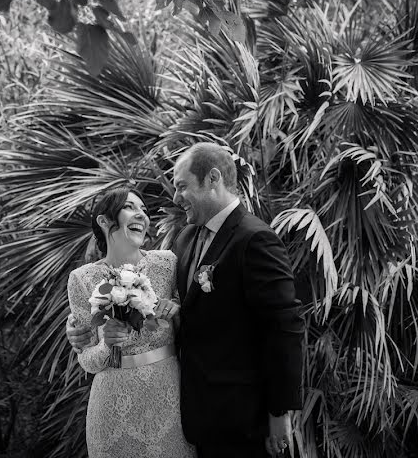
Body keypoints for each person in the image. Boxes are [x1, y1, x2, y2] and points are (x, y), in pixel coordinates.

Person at [67, 142, 305, 457]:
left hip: (241, 413)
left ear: (213, 178)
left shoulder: (254, 238)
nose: (175, 197)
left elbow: (284, 327)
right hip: (195, 412)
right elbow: (186, 306)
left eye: (181, 186)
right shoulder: (186, 238)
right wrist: (83, 335)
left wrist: (280, 411)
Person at [66, 186, 196, 458]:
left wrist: (178, 307)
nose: (142, 215)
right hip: (112, 403)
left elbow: (194, 314)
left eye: (144, 210)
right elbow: (86, 359)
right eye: (130, 207)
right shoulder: (81, 279)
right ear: (104, 221)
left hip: (168, 396)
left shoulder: (168, 263)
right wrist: (106, 347)